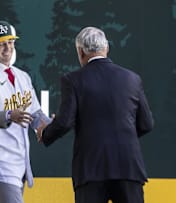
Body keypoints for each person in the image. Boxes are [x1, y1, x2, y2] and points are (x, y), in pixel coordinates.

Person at [36, 26, 154, 203]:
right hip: (128, 166)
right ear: (106, 48)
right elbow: (146, 124)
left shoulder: (73, 80)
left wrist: (45, 132)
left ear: (80, 52)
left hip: (91, 169)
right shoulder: (132, 78)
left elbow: (65, 122)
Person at [0, 20, 51, 203]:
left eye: (10, 42)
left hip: (20, 162)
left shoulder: (22, 76)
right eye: (1, 44)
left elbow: (35, 115)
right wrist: (8, 115)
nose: (7, 48)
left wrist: (53, 125)